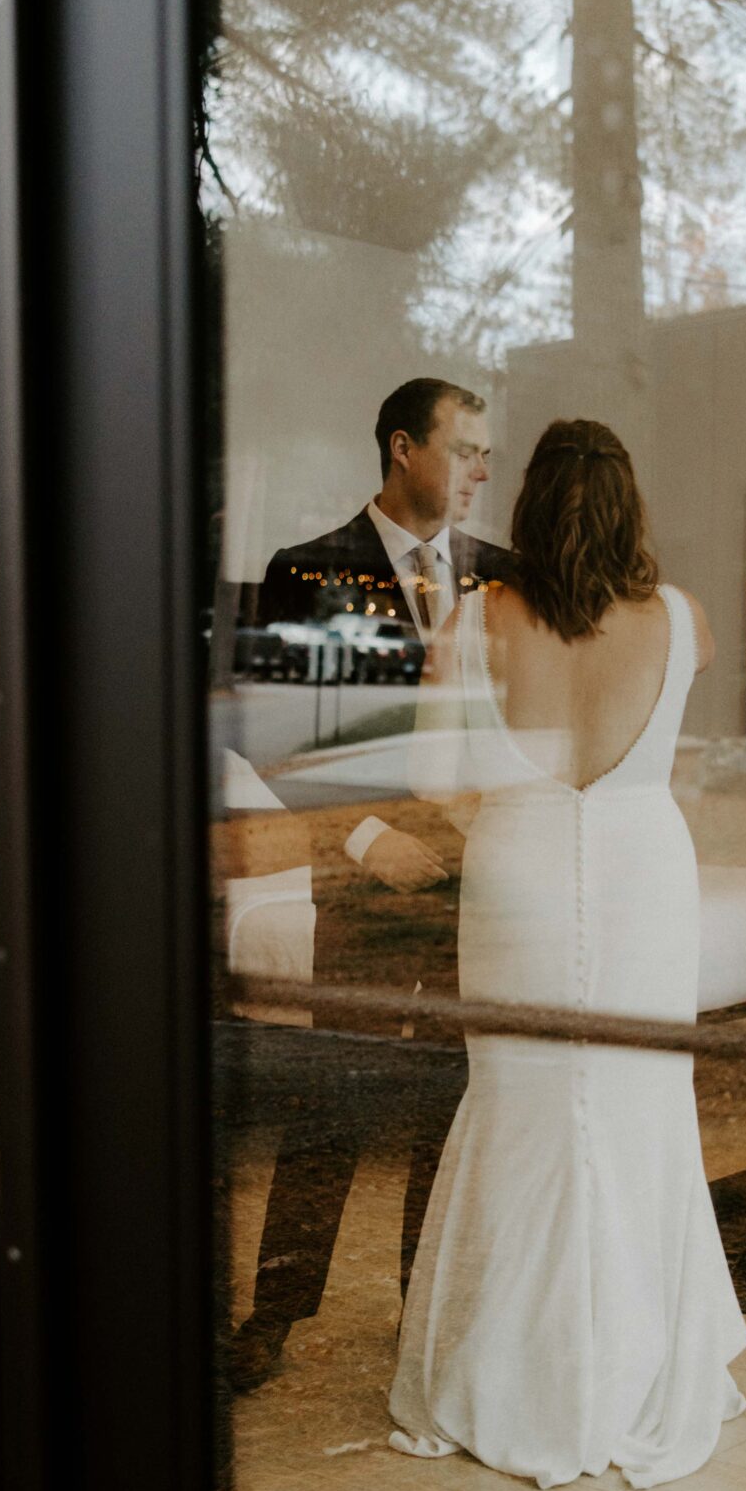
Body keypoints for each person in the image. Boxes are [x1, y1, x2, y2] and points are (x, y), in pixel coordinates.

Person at [388, 418, 746, 1488]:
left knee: (521, 1108)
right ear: (630, 505)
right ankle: (637, 1366)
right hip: (646, 874)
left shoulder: (474, 618)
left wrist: (510, 817)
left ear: (531, 506)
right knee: (639, 1106)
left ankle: (514, 1372)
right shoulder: (684, 620)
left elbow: (426, 776)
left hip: (517, 874)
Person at [225, 378, 507, 1392]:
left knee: (454, 1104)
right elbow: (272, 732)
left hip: (480, 886)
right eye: (466, 448)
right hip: (366, 886)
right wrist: (366, 835)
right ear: (402, 447)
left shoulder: (503, 577)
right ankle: (273, 1318)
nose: (481, 471)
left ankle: (422, 1320)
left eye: (488, 454)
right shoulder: (308, 571)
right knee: (330, 1108)